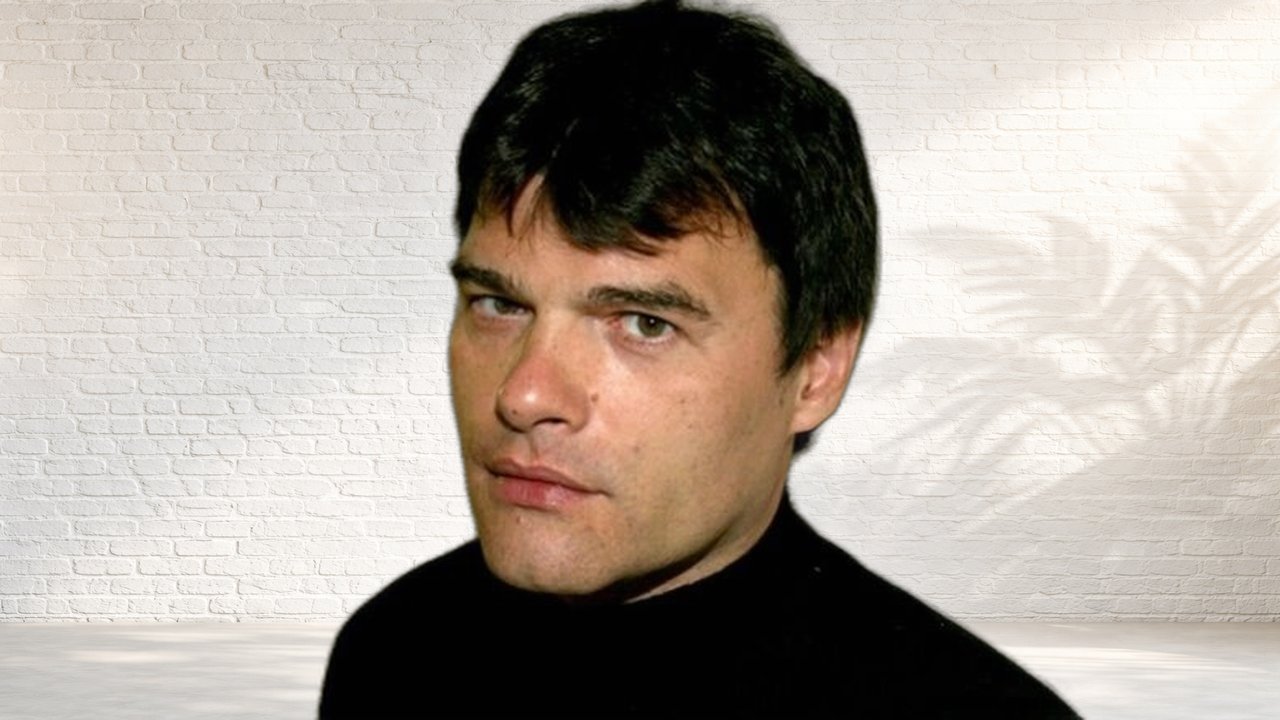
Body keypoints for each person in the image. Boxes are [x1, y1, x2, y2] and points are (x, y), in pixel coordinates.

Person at [320, 0, 1079, 716]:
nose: (525, 395)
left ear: (814, 370)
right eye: (498, 304)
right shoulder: (393, 652)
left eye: (644, 324)